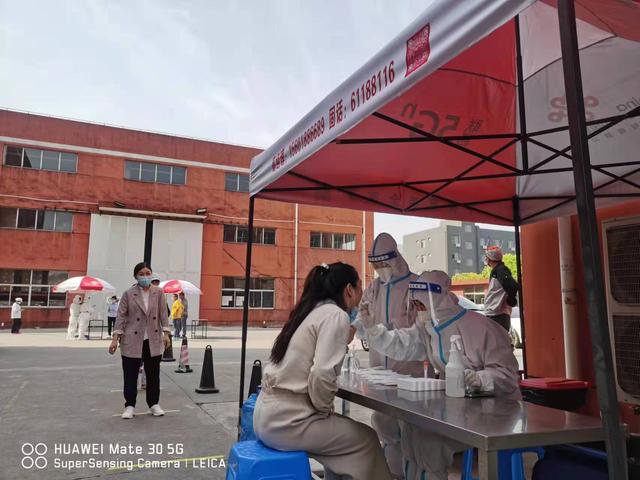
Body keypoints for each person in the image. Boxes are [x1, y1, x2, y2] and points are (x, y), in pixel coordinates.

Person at [360, 270, 520, 480]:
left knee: (429, 443)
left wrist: (482, 379)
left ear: (435, 299)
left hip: (496, 412)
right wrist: (373, 330)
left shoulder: (478, 327)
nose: (418, 311)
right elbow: (403, 344)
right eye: (415, 305)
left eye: (421, 305)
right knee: (411, 434)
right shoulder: (431, 330)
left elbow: (508, 375)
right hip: (461, 410)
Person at [253, 263, 393, 480]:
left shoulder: (311, 310)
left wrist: (356, 324)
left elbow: (335, 341)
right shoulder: (335, 315)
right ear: (349, 290)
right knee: (367, 440)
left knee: (340, 439)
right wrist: (323, 410)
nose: (361, 294)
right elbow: (322, 374)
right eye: (359, 287)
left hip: (267, 415)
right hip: (288, 422)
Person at [354, 232, 422, 478]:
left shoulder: (415, 285)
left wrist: (388, 330)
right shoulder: (374, 288)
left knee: (413, 433)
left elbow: (421, 332)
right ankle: (393, 474)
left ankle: (411, 473)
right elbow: (361, 325)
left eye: (383, 263)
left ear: (394, 259)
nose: (380, 269)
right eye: (375, 265)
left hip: (409, 373)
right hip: (379, 372)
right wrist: (363, 324)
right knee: (385, 427)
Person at [108, 262, 171, 419]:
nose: (145, 276)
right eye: (141, 274)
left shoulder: (159, 292)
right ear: (135, 276)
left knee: (153, 374)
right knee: (130, 374)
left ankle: (154, 404)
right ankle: (129, 405)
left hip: (153, 338)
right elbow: (121, 317)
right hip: (132, 338)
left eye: (147, 273)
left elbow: (163, 314)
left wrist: (166, 333)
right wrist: (115, 338)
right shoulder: (128, 294)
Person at [483, 245, 519, 332]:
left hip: (498, 315)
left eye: (486, 257)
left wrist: (510, 300)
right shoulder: (499, 271)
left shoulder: (501, 271)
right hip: (495, 314)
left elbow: (512, 286)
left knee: (497, 339)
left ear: (490, 259)